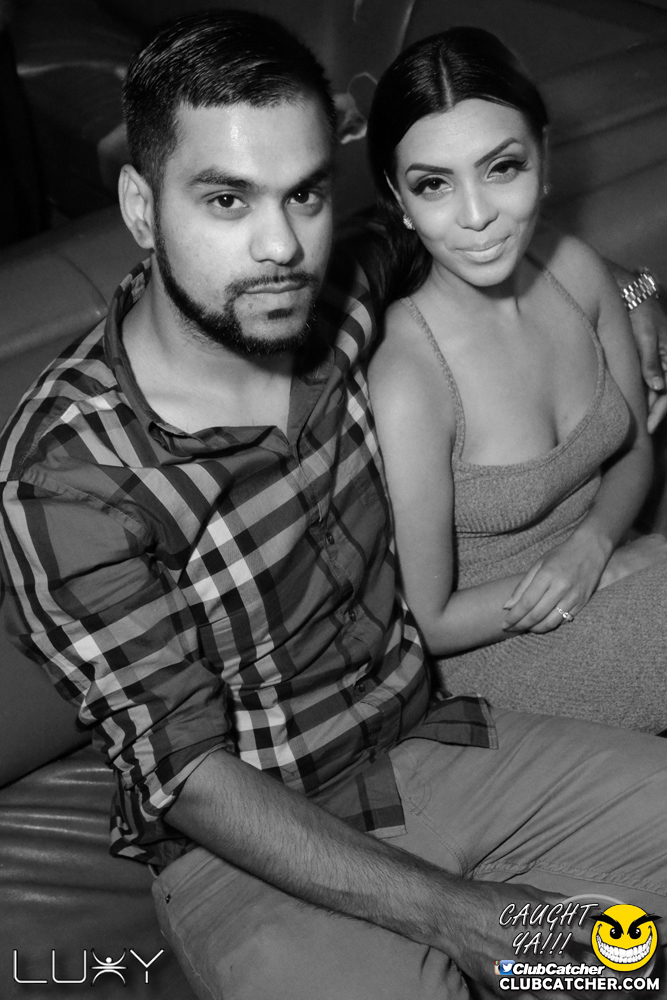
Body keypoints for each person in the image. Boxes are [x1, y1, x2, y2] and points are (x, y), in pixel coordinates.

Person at [0, 11, 667, 1000]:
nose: (279, 244)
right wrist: (459, 914)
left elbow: (490, 236)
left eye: (304, 193)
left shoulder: (339, 291)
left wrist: (636, 292)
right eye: (226, 199)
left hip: (439, 745)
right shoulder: (68, 474)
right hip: (252, 853)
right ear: (141, 206)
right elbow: (185, 772)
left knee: (619, 958)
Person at [366, 27, 667, 733]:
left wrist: (596, 545)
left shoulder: (579, 272)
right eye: (433, 184)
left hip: (610, 568)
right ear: (399, 199)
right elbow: (429, 621)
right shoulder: (409, 376)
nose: (475, 216)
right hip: (497, 647)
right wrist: (597, 575)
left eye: (501, 167)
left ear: (544, 156)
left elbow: (633, 453)